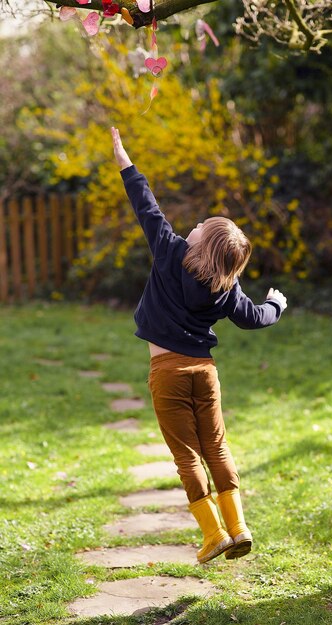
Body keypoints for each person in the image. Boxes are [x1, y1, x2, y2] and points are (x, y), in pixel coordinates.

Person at [111, 127, 287, 564]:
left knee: (187, 456)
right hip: (204, 375)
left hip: (167, 374)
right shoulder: (226, 289)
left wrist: (124, 160)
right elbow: (253, 319)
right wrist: (276, 305)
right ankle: (239, 525)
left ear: (200, 242)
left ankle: (213, 534)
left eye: (200, 227)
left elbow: (145, 205)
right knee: (217, 447)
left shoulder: (169, 252)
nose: (191, 226)